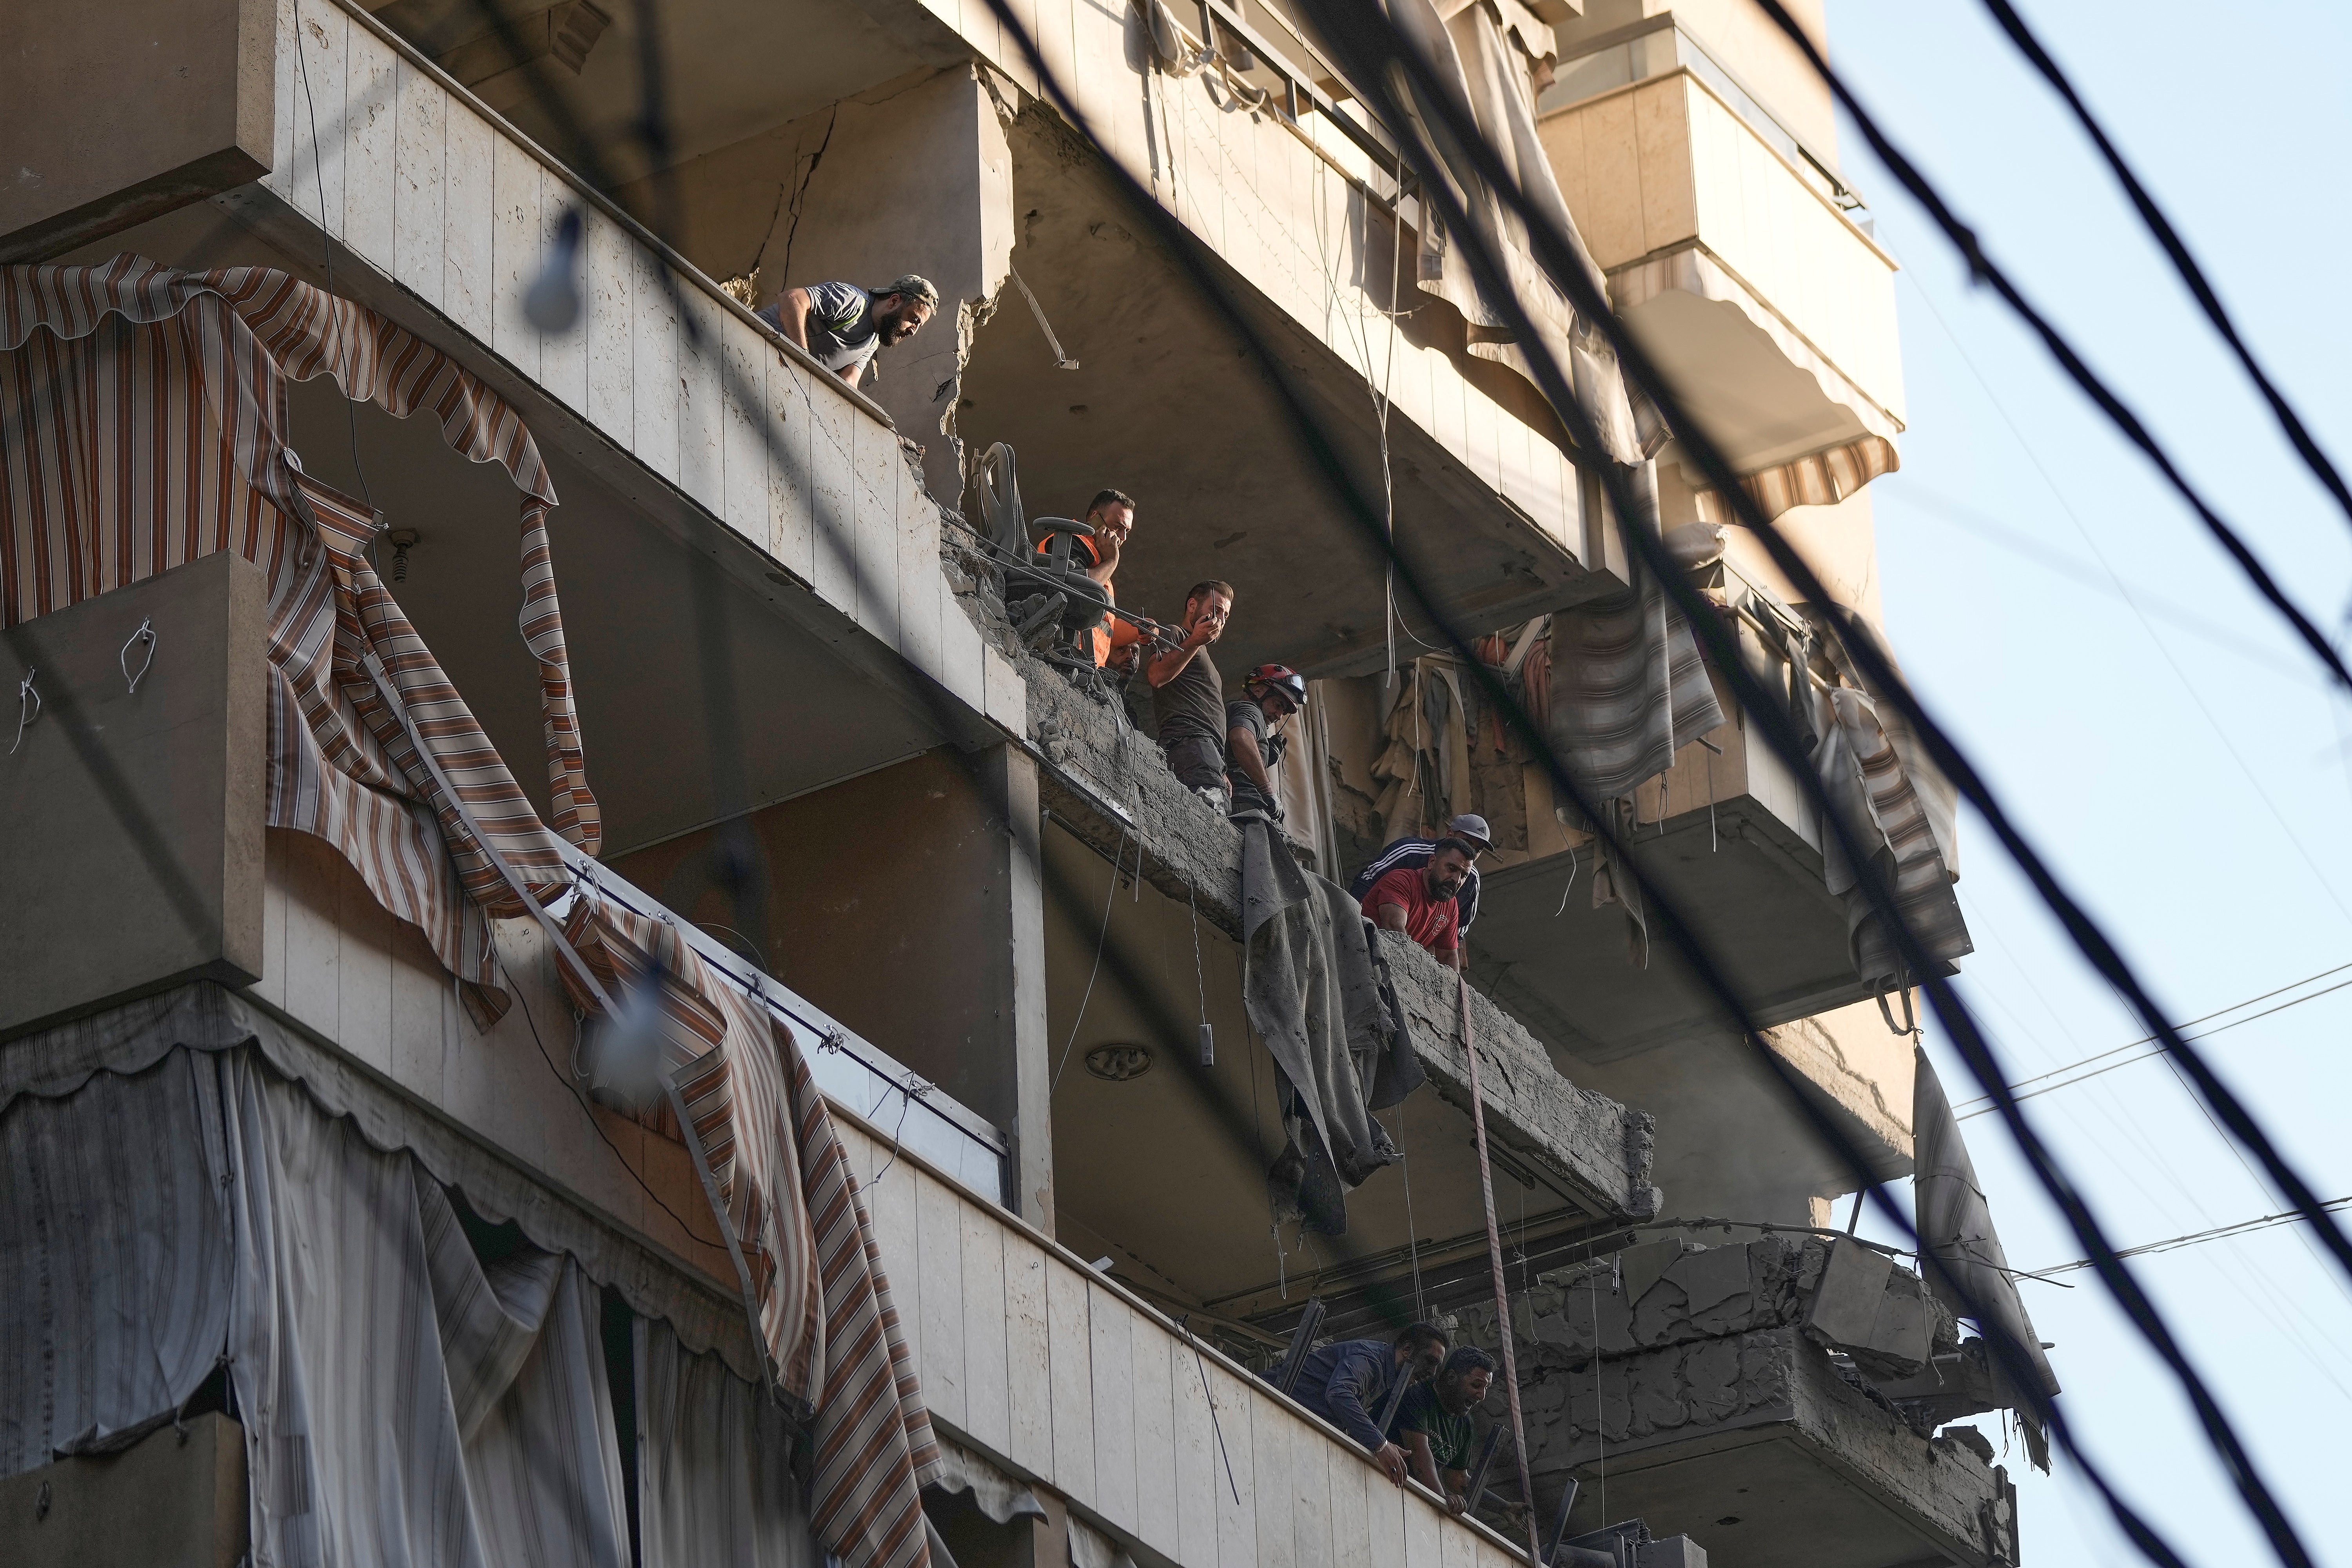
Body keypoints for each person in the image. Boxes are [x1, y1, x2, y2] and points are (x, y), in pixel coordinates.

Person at [1291, 1323, 1448, 1486]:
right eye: (1431, 1361)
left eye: (1438, 1366)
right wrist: (1381, 1445)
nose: (1433, 1373)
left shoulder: (1385, 1376)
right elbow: (1339, 1393)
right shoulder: (1371, 1359)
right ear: (1407, 1349)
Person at [757, 275, 938, 389]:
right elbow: (792, 299)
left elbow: (848, 383)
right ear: (894, 302)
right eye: (914, 320)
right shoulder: (852, 302)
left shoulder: (872, 340)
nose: (913, 332)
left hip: (771, 376)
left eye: (919, 326)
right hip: (751, 342)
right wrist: (802, 358)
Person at [1035, 489, 1145, 669]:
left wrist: (1140, 630)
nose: (1123, 538)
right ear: (1095, 518)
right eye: (1118, 527)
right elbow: (1079, 595)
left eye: (1127, 531)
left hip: (1083, 665)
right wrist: (1112, 561)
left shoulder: (1101, 567)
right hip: (1059, 656)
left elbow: (1104, 629)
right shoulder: (1069, 541)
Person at [1149, 580, 1234, 803]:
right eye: (1215, 611)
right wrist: (1195, 641)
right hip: (1190, 742)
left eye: (1225, 616)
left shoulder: (1200, 651)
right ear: (1192, 605)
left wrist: (1221, 769)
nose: (1221, 620)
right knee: (1210, 818)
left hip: (1207, 750)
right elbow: (1156, 676)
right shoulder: (1175, 633)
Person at [1350, 814, 1493, 938]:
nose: (1472, 851)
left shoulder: (1472, 880)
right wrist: (1354, 922)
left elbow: (1460, 927)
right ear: (1450, 835)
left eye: (1478, 850)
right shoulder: (1410, 851)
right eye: (1467, 842)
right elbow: (1367, 879)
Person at [1391, 1346, 1495, 1512]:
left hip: (1410, 1503)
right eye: (1477, 1385)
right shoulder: (1418, 1396)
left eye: (1486, 1388)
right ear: (1452, 1377)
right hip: (1383, 1481)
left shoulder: (1465, 1424)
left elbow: (1458, 1480)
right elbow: (1420, 1458)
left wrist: (1504, 1507)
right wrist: (1441, 1500)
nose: (1481, 1395)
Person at [1360, 837, 1475, 968]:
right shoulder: (1401, 881)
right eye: (1451, 868)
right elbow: (1394, 930)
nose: (1457, 880)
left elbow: (1448, 957)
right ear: (1432, 862)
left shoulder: (1451, 905)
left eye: (1464, 876)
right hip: (1361, 958)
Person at [1226, 663, 1305, 820]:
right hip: (1241, 806)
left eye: (1284, 712)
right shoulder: (1251, 710)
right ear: (1258, 691)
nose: (1279, 716)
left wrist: (1265, 755)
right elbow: (1241, 738)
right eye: (1278, 705)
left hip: (1235, 803)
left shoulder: (1238, 712)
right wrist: (1267, 790)